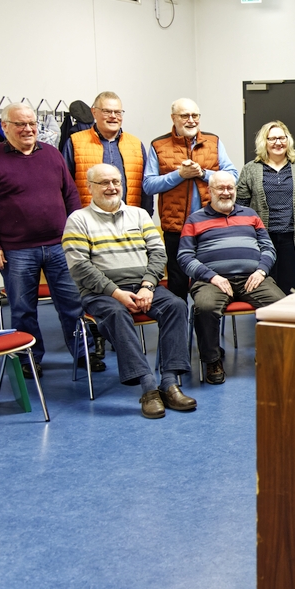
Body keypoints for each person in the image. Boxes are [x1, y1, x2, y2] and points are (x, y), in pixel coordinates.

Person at [0, 102, 97, 377]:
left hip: (59, 246)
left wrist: (77, 234)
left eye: (32, 123)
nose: (28, 129)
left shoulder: (51, 154)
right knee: (23, 310)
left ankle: (83, 354)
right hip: (16, 250)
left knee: (72, 304)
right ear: (5, 127)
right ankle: (29, 359)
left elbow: (70, 195)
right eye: (20, 124)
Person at [61, 163, 196, 419]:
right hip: (101, 293)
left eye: (116, 182)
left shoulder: (139, 214)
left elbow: (158, 253)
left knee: (177, 305)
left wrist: (148, 285)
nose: (112, 187)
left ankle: (169, 383)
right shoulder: (78, 220)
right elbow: (80, 267)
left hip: (143, 285)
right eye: (104, 182)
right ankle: (149, 388)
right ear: (90, 187)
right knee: (116, 313)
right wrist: (116, 293)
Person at [179, 172, 286, 385]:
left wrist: (261, 271)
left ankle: (267, 353)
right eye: (221, 188)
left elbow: (268, 248)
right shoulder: (195, 219)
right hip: (212, 281)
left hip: (253, 278)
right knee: (205, 307)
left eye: (230, 188)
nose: (226, 192)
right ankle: (212, 360)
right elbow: (184, 257)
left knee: (280, 305)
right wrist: (212, 276)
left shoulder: (251, 215)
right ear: (209, 191)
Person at [143, 98, 238, 302]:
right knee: (177, 282)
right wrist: (179, 175)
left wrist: (203, 173)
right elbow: (149, 185)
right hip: (176, 226)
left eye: (195, 115)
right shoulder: (158, 145)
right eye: (185, 115)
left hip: (211, 224)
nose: (191, 120)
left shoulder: (213, 141)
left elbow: (233, 176)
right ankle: (180, 322)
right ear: (173, 118)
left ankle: (206, 319)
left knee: (211, 278)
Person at [236, 121, 295, 293]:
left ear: (288, 140)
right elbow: (241, 206)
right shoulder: (251, 169)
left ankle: (288, 311)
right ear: (264, 142)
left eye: (282, 138)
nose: (278, 143)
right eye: (272, 139)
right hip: (262, 238)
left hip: (292, 238)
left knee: (290, 286)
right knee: (265, 286)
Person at [62, 91, 148, 212]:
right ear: (94, 112)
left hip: (129, 219)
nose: (113, 116)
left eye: (117, 112)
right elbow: (65, 187)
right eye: (107, 111)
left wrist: (146, 215)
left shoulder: (136, 144)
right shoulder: (74, 143)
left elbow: (145, 189)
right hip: (88, 219)